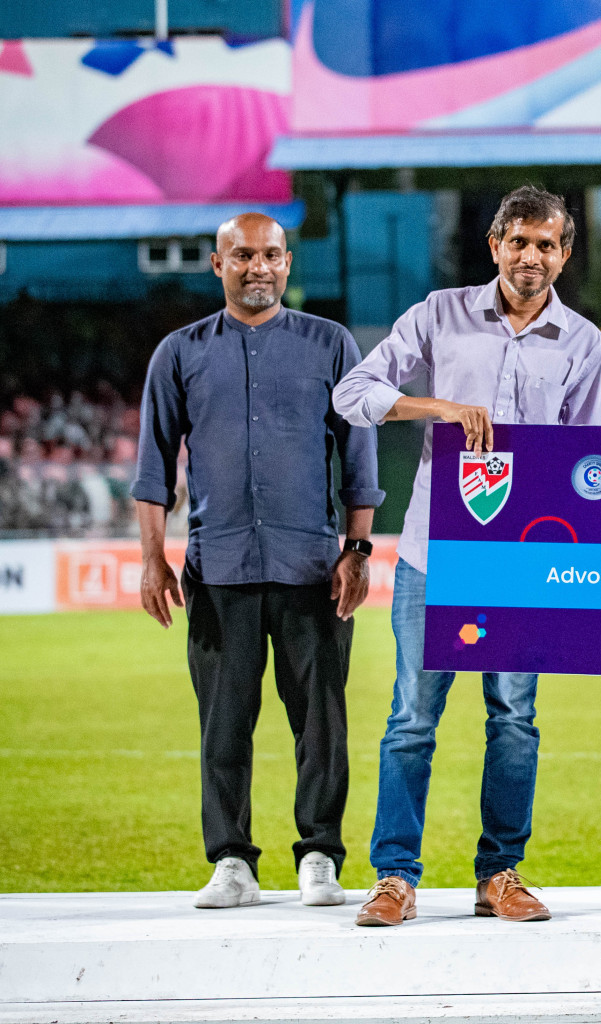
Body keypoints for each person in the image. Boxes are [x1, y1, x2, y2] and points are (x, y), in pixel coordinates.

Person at [333, 185, 601, 927]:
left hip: (522, 565)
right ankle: (394, 878)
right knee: (412, 720)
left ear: (564, 254)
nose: (531, 256)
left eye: (546, 244)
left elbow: (594, 462)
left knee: (515, 719)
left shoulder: (582, 342)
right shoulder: (439, 313)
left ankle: (500, 874)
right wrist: (440, 408)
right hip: (436, 554)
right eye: (518, 242)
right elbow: (353, 392)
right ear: (495, 245)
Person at [133, 213, 383, 909]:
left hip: (312, 571)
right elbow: (153, 468)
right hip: (218, 572)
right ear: (219, 265)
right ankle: (232, 861)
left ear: (287, 262)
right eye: (242, 255)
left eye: (270, 254)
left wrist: (357, 551)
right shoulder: (179, 353)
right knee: (224, 723)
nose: (258, 267)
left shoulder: (329, 344)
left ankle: (321, 857)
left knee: (322, 722)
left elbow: (358, 462)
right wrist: (152, 560)